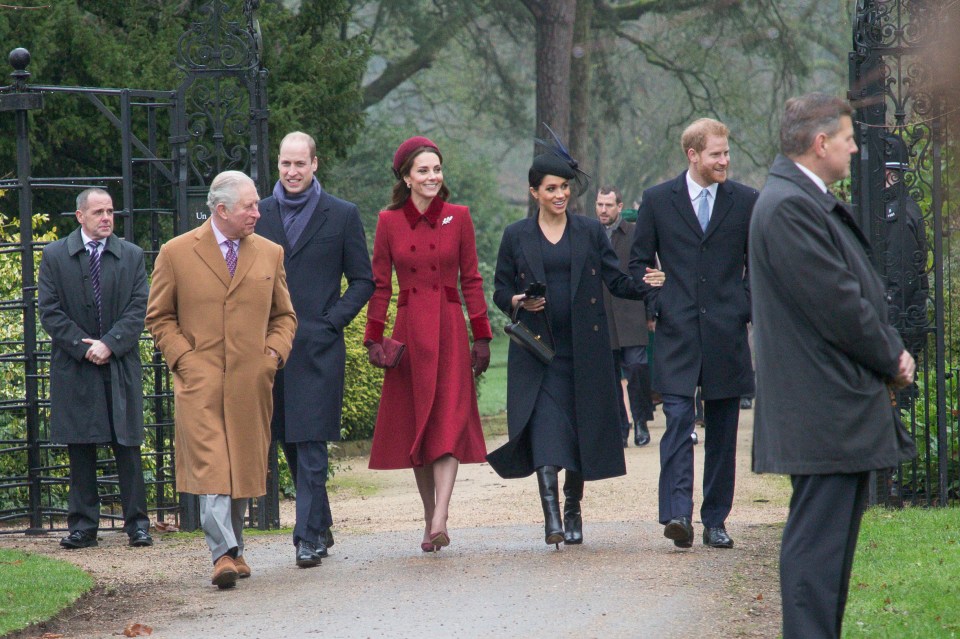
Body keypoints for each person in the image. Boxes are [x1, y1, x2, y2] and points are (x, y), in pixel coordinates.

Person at [750, 93, 916, 639]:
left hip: (830, 405)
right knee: (815, 553)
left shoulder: (798, 199)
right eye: (846, 138)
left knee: (828, 555)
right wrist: (891, 355)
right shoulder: (789, 206)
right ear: (820, 144)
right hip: (823, 405)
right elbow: (838, 304)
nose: (852, 148)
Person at [487, 139, 664, 548]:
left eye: (565, 187)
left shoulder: (587, 231)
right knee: (547, 433)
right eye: (551, 188)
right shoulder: (516, 235)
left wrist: (646, 284)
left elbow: (615, 280)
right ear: (535, 192)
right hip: (538, 350)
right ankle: (550, 515)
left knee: (580, 430)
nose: (560, 194)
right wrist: (517, 300)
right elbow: (500, 289)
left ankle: (572, 507)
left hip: (585, 349)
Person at [146, 171, 297, 589]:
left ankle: (236, 547)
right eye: (249, 205)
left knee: (241, 468)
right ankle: (222, 553)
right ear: (222, 210)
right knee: (212, 466)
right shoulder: (176, 253)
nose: (257, 212)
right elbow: (159, 316)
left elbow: (284, 315)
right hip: (200, 381)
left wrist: (272, 355)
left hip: (251, 381)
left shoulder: (270, 253)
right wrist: (184, 360)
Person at [630, 118, 757, 550]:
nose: (725, 160)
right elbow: (637, 264)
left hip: (726, 333)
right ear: (693, 155)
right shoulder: (657, 200)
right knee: (679, 420)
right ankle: (678, 514)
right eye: (716, 154)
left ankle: (715, 520)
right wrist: (656, 302)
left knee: (722, 430)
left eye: (726, 153)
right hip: (677, 331)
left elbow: (759, 264)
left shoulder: (744, 201)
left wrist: (744, 305)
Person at [363, 136, 492, 552]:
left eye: (437, 169)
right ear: (406, 176)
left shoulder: (460, 217)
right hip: (408, 331)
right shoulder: (388, 222)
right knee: (419, 426)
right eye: (423, 170)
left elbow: (471, 280)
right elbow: (381, 285)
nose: (432, 176)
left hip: (450, 328)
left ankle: (441, 516)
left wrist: (482, 335)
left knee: (449, 421)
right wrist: (373, 338)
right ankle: (427, 514)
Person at [257, 132, 374, 568]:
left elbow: (363, 279)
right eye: (285, 164)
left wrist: (332, 321)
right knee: (288, 439)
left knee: (311, 445)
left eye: (299, 164)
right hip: (271, 351)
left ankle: (306, 537)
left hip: (319, 349)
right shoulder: (259, 215)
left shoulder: (341, 215)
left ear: (315, 164)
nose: (291, 172)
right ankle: (321, 524)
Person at [38, 188, 152, 550]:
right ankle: (84, 526)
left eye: (111, 211)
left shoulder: (131, 255)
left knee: (127, 443)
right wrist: (84, 348)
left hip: (119, 362)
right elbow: (50, 311)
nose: (106, 217)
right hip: (76, 365)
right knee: (81, 446)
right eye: (99, 212)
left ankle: (137, 524)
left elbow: (139, 307)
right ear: (80, 216)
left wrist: (111, 344)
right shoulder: (56, 256)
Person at [595, 186, 653, 447]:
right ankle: (621, 426)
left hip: (631, 312)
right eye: (599, 204)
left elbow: (650, 272)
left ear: (620, 206)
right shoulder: (590, 233)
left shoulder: (633, 233)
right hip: (602, 314)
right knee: (608, 374)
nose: (603, 210)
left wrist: (651, 311)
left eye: (608, 205)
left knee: (637, 368)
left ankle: (641, 421)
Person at [880, 134, 928, 361]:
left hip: (901, 328)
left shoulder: (899, 215)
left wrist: (886, 331)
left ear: (889, 174)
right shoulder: (893, 209)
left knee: (901, 395)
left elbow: (901, 283)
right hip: (899, 326)